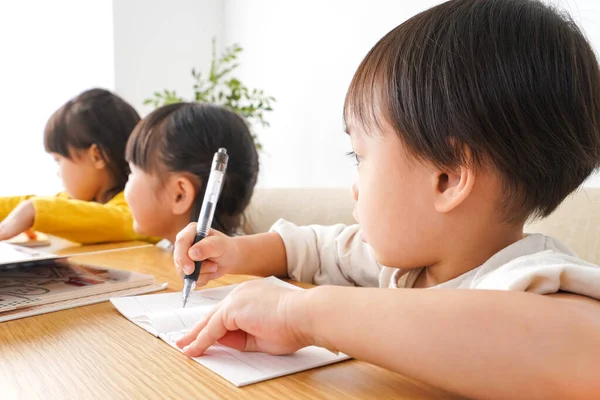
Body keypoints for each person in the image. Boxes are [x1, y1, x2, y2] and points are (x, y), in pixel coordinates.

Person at [171, 1, 600, 398]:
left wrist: (302, 313)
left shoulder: (531, 277)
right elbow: (315, 249)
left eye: (359, 156)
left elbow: (585, 349)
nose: (355, 185)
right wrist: (232, 251)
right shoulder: (411, 260)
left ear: (447, 178)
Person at [0, 88, 149, 244]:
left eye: (58, 160)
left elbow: (122, 221)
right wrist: (28, 208)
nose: (58, 173)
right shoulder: (83, 203)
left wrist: (35, 210)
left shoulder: (139, 207)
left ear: (96, 156)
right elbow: (32, 203)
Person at [125, 102, 259, 245]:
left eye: (132, 172)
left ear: (179, 195)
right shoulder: (165, 250)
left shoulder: (210, 265)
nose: (126, 183)